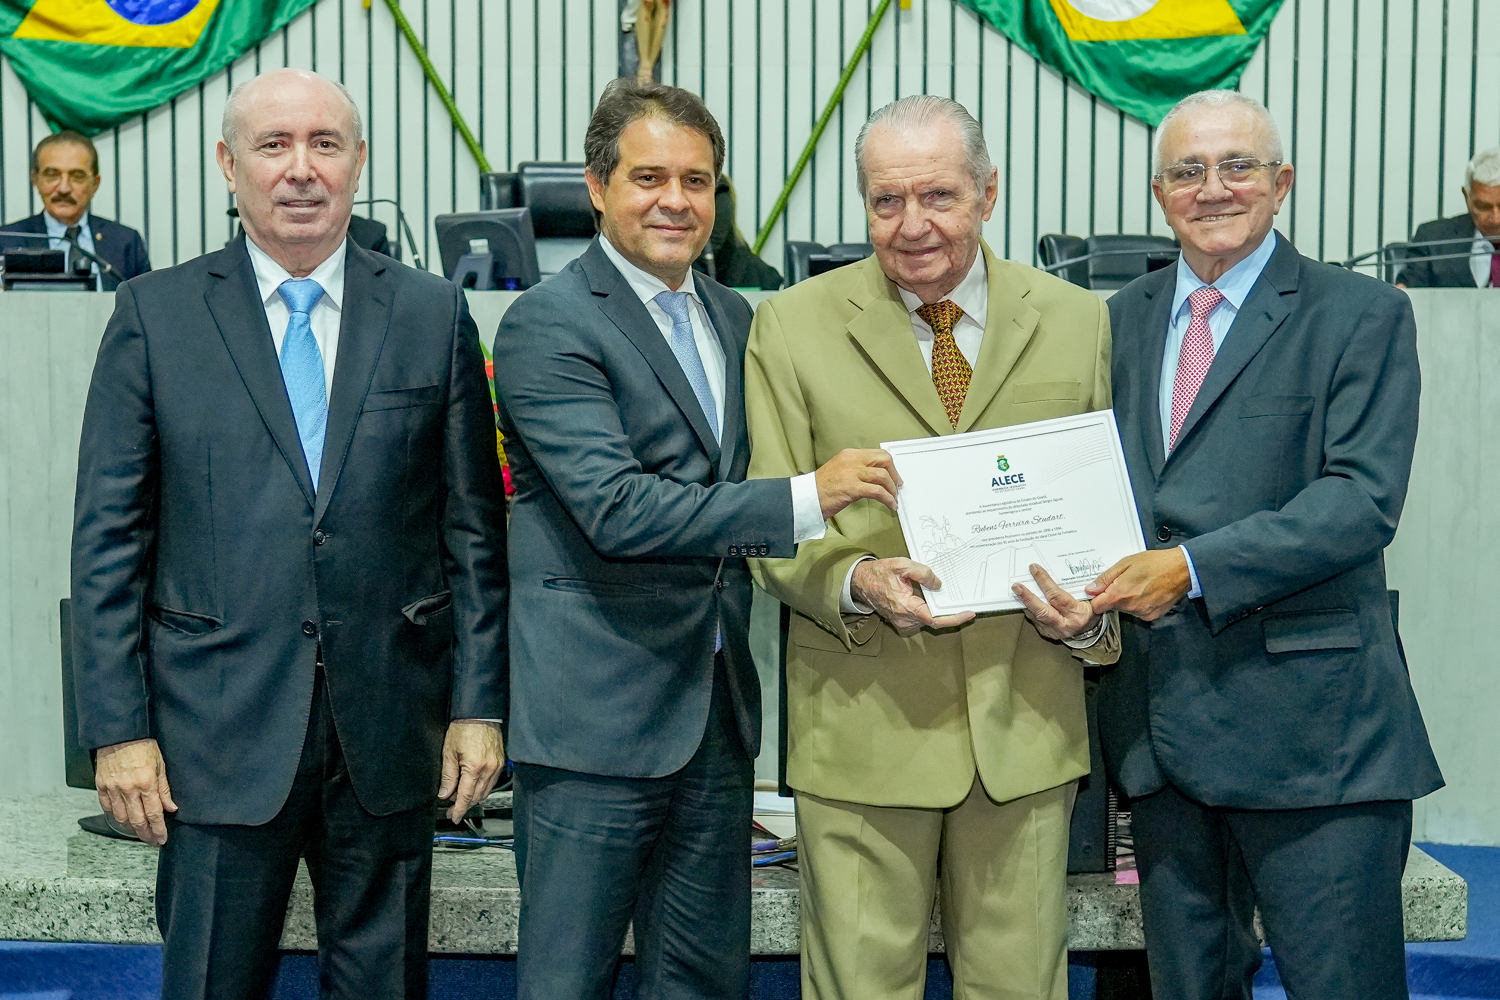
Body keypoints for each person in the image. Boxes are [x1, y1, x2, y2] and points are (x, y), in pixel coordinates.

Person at [70, 68, 508, 1000]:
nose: (301, 169)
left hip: (391, 733)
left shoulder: (432, 313)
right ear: (229, 165)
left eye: (324, 144)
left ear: (359, 161)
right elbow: (109, 543)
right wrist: (117, 731)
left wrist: (480, 708)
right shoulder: (154, 315)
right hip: (211, 736)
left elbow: (473, 533)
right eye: (273, 145)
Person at [490, 78, 899, 1000]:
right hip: (593, 726)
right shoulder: (548, 323)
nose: (675, 201)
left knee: (706, 980)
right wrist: (808, 496)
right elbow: (617, 509)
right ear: (597, 187)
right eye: (649, 178)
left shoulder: (738, 317)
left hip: (714, 718)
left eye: (697, 181)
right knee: (566, 982)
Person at [745, 94, 1119, 1000]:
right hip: (861, 729)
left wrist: (1091, 617)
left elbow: (1107, 514)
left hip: (1026, 731)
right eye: (886, 200)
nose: (912, 225)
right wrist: (858, 578)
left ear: (989, 193)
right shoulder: (790, 325)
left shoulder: (1079, 320)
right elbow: (767, 523)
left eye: (939, 196)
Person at [1088, 89, 1442, 1000]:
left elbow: (1360, 501)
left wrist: (1191, 569)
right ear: (1160, 194)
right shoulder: (1116, 320)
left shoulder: (1359, 312)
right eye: (1188, 171)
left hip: (1315, 738)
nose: (1213, 188)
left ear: (1282, 183)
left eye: (1237, 166)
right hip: (1161, 736)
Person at [0, 130, 150, 288]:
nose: (64, 189)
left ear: (95, 184)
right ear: (36, 180)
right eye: (52, 175)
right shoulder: (6, 240)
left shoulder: (125, 241)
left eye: (77, 176)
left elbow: (146, 300)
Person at [1396, 147, 1500, 288]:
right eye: (1483, 206)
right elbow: (1406, 289)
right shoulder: (1433, 239)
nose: (1495, 219)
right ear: (1467, 197)